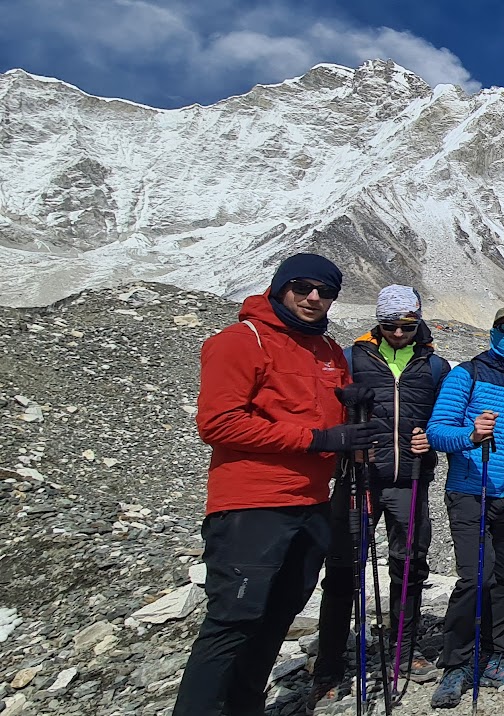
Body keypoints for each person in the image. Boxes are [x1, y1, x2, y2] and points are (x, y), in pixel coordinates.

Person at [176, 254, 386, 715]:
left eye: (325, 292)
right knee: (233, 620)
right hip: (252, 504)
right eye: (302, 287)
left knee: (278, 616)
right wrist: (318, 439)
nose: (313, 298)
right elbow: (219, 424)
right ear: (279, 286)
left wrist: (354, 413)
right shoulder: (240, 341)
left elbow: (331, 421)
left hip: (311, 503)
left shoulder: (327, 351)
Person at [311, 285, 450, 705]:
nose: (398, 333)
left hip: (410, 478)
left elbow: (444, 419)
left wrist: (431, 439)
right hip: (359, 477)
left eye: (406, 325)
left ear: (418, 321)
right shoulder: (352, 359)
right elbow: (327, 415)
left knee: (409, 566)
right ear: (378, 323)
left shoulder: (435, 366)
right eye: (389, 325)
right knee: (343, 569)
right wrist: (346, 441)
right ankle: (329, 666)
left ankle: (404, 652)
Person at [424, 305, 504, 709]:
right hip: (470, 491)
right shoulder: (466, 374)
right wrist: (471, 436)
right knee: (476, 576)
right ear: (493, 332)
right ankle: (456, 662)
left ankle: (495, 655)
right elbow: (437, 431)